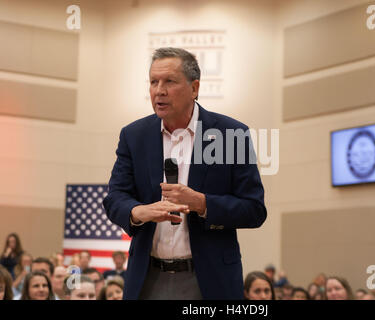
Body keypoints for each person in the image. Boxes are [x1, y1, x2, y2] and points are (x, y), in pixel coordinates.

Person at [103, 47, 266, 300]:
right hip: (147, 278)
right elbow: (115, 198)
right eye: (154, 82)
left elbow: (254, 209)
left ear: (194, 87)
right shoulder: (134, 136)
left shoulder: (229, 135)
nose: (159, 90)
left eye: (169, 81)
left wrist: (202, 203)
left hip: (208, 281)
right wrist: (137, 212)